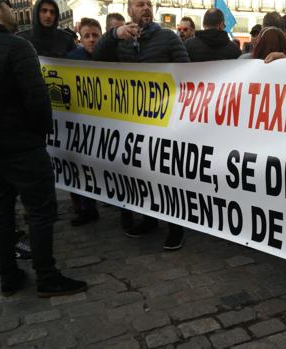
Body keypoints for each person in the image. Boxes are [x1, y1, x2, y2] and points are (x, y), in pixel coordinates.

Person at [0, 0, 87, 297]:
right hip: (20, 145)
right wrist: (41, 135)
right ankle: (47, 277)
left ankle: (9, 275)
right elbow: (37, 100)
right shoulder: (15, 47)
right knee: (41, 211)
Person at [93, 0, 188, 250]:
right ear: (129, 10)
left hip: (166, 121)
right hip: (134, 123)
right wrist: (114, 34)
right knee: (143, 173)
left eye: (148, 3)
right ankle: (150, 219)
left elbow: (187, 74)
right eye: (139, 3)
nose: (145, 7)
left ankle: (176, 227)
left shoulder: (168, 38)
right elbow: (97, 56)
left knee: (167, 175)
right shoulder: (120, 40)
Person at [65, 18, 102, 226]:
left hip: (104, 123)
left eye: (95, 35)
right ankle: (87, 208)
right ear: (80, 38)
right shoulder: (71, 59)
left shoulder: (108, 58)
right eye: (87, 36)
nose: (91, 40)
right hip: (80, 123)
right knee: (82, 168)